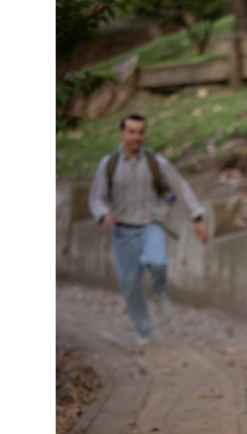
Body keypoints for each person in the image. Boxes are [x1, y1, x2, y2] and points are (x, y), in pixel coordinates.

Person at [88, 114, 209, 346]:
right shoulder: (108, 164)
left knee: (158, 262)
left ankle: (159, 291)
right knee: (130, 284)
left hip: (150, 226)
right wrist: (104, 213)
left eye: (140, 132)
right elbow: (97, 197)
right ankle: (144, 330)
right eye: (132, 132)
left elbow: (180, 187)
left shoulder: (156, 162)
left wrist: (197, 218)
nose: (136, 137)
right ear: (122, 133)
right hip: (122, 232)